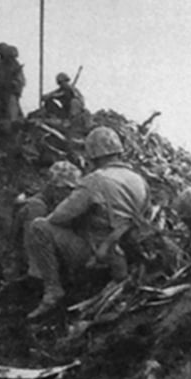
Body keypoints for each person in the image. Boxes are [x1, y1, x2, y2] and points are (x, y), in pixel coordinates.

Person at [26, 126, 151, 319]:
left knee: (39, 227)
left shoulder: (95, 180)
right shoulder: (139, 180)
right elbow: (145, 218)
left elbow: (59, 217)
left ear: (93, 155)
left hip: (98, 255)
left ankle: (53, 291)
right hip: (128, 253)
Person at [10, 160, 82, 276]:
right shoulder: (36, 205)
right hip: (37, 261)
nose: (67, 193)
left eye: (71, 189)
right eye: (63, 188)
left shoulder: (76, 200)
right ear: (52, 186)